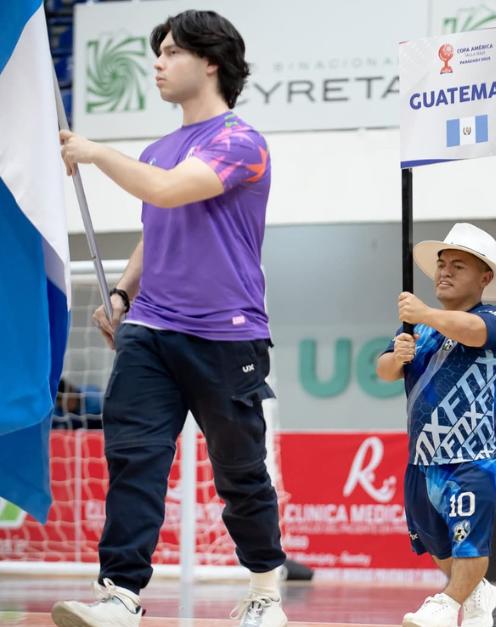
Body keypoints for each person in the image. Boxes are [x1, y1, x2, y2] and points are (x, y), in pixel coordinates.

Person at [52, 10, 286, 627]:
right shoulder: (160, 150)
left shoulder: (241, 142)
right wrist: (126, 293)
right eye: (157, 52)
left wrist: (96, 151)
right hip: (150, 331)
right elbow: (157, 231)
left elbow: (167, 193)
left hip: (225, 335)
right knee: (134, 462)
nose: (157, 62)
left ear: (211, 62)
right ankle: (119, 594)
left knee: (240, 476)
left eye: (171, 52)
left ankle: (264, 591)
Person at [376, 223, 496, 627]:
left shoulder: (493, 318)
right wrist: (399, 355)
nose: (444, 273)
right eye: (441, 265)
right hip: (423, 460)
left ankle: (445, 602)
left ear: (484, 278)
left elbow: (474, 334)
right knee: (440, 546)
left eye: (458, 266)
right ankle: (478, 594)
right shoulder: (416, 328)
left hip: (475, 457)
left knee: (469, 542)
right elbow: (384, 371)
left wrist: (425, 314)